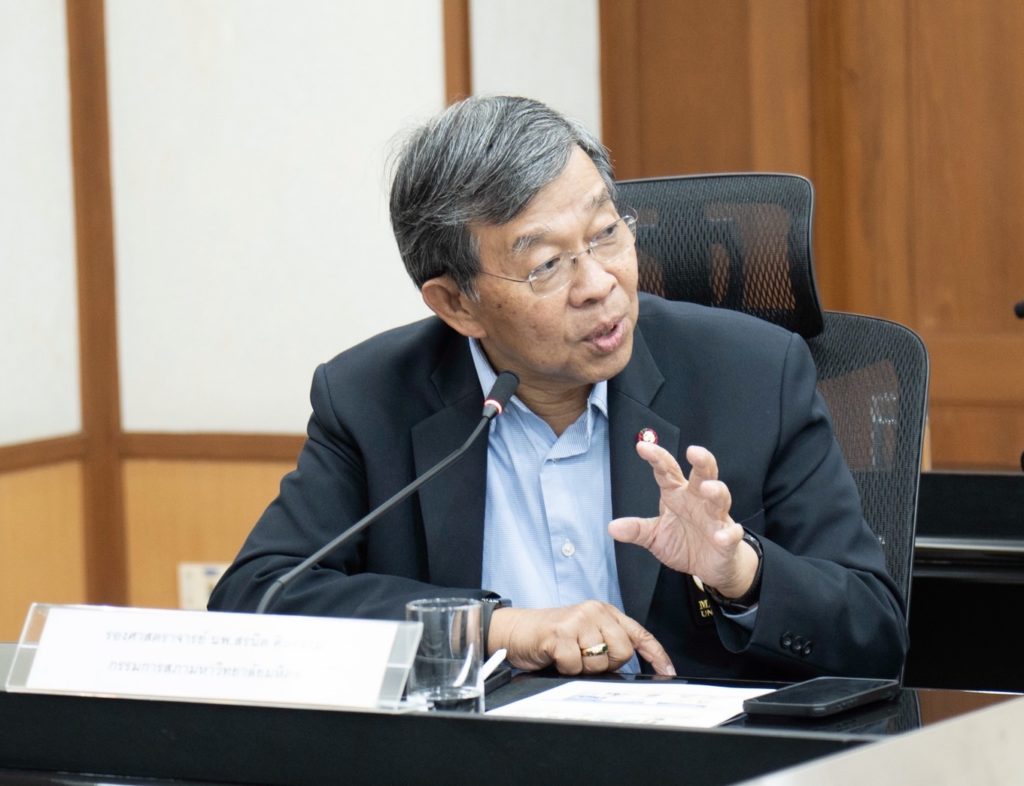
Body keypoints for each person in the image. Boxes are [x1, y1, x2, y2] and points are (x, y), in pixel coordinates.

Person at [208, 95, 907, 681]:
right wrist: (501, 628)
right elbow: (255, 601)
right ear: (456, 303)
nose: (599, 284)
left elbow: (874, 635)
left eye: (606, 234)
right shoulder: (370, 398)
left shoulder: (754, 375)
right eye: (547, 265)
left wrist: (741, 574)